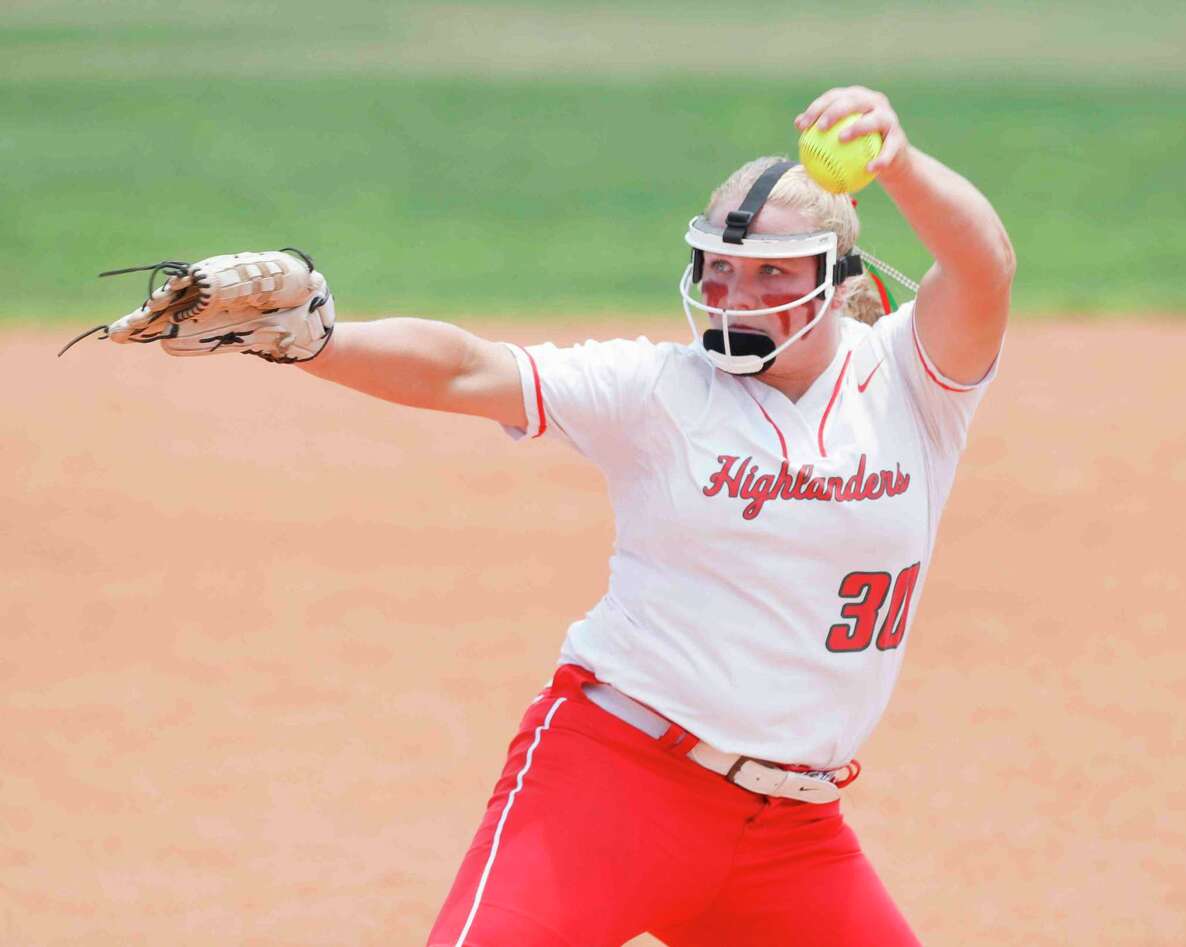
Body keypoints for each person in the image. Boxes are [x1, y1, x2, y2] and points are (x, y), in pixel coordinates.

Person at [116, 85, 1014, 945]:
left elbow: (984, 266)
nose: (734, 297)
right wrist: (319, 341)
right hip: (615, 782)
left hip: (791, 832)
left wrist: (896, 162)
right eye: (720, 269)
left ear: (835, 279)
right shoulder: (661, 389)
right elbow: (465, 369)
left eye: (769, 274)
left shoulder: (910, 382)